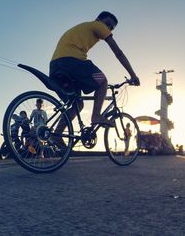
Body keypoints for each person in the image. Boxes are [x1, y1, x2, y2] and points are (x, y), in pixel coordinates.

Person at [49, 11, 140, 148]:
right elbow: (118, 53)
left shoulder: (84, 28)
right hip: (71, 61)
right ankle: (96, 116)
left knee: (77, 105)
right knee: (102, 81)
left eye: (111, 28)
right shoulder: (96, 25)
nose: (108, 29)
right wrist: (133, 75)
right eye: (108, 24)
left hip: (56, 67)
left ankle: (56, 135)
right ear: (98, 20)